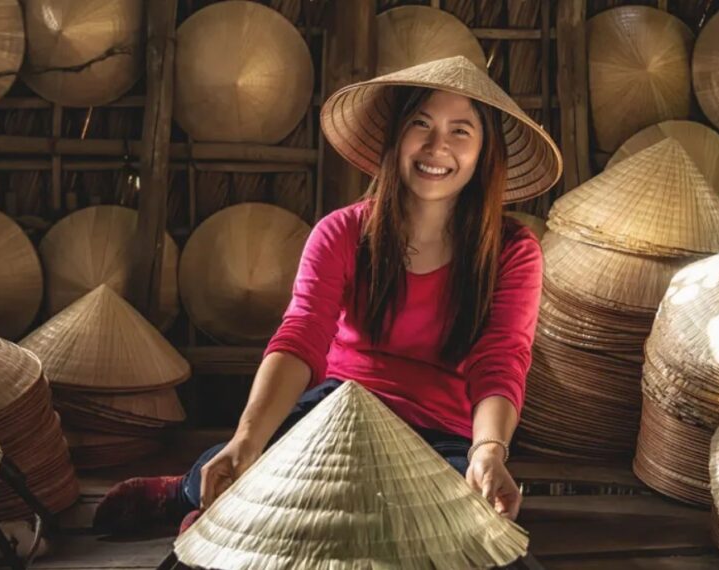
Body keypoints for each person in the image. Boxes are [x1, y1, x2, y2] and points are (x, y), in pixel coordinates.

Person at [93, 55, 562, 535]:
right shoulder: (342, 231)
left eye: (460, 131)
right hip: (333, 412)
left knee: (432, 521)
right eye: (420, 124)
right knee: (243, 461)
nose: (436, 146)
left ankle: (231, 517)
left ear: (485, 152)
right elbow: (302, 335)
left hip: (439, 437)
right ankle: (187, 494)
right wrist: (247, 440)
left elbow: (500, 360)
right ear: (396, 137)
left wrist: (487, 451)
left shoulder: (513, 251)